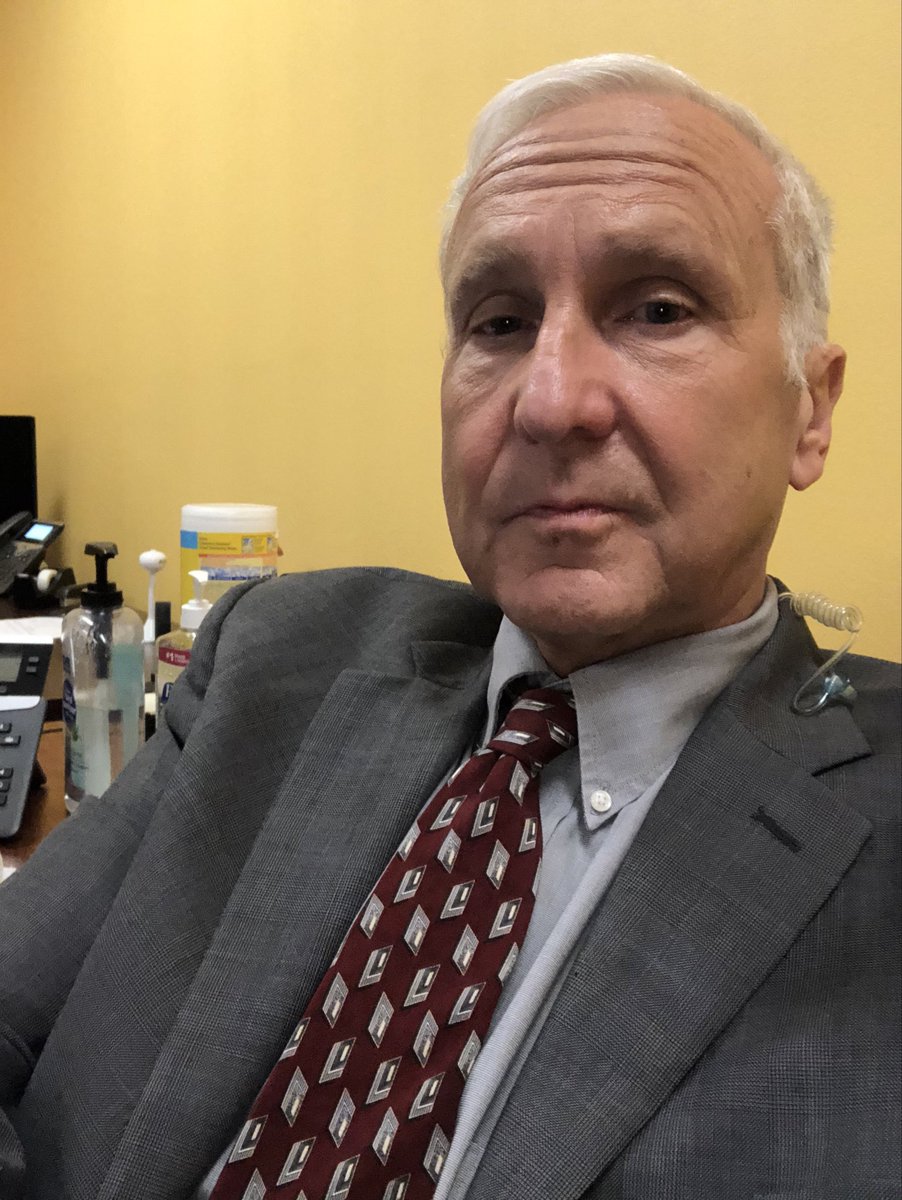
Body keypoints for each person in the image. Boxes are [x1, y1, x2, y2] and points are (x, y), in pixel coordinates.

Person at [1, 53, 899, 1200]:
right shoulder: (278, 656)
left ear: (809, 410)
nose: (550, 401)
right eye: (500, 321)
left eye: (657, 309)